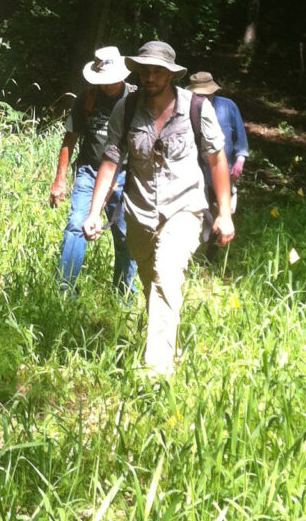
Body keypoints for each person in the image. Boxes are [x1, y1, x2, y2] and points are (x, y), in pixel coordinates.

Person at [82, 41, 234, 378]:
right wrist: (94, 212)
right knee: (154, 283)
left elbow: (217, 158)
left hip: (184, 209)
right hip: (139, 214)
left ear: (171, 74)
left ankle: (155, 373)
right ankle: (171, 347)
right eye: (145, 71)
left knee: (166, 274)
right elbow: (110, 161)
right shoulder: (126, 108)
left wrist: (224, 213)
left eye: (157, 71)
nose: (150, 77)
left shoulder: (195, 108)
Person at [48, 46, 137, 296]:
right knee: (77, 225)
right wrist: (60, 181)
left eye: (111, 80)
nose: (107, 86)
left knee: (125, 234)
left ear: (123, 75)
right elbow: (69, 140)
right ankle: (65, 290)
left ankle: (124, 296)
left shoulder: (134, 100)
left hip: (123, 176)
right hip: (89, 172)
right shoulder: (88, 98)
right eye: (102, 80)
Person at [187, 71, 249, 215]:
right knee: (200, 213)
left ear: (213, 92)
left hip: (225, 170)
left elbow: (240, 138)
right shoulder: (186, 108)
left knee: (225, 212)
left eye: (206, 94)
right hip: (197, 173)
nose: (203, 98)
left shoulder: (228, 106)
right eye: (199, 95)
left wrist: (240, 160)